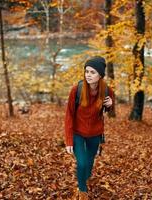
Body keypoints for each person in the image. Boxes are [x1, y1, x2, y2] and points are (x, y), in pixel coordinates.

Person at [65, 56, 114, 200]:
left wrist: (110, 105)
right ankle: (82, 191)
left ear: (100, 75)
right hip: (78, 133)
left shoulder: (107, 91)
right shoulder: (77, 90)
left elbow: (108, 110)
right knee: (82, 162)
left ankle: (84, 178)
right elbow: (68, 115)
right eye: (86, 71)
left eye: (92, 72)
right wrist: (68, 140)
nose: (88, 75)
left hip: (95, 133)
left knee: (90, 161)